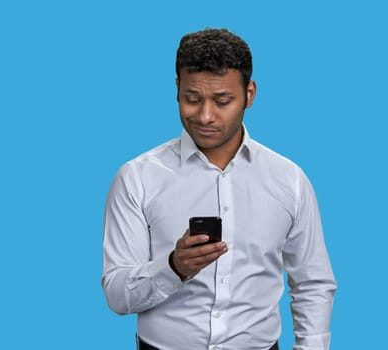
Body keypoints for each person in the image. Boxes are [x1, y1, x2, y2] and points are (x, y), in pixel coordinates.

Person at [102, 28, 337, 350]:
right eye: (192, 99)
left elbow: (312, 283)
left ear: (249, 94)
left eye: (222, 100)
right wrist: (173, 267)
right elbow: (117, 295)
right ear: (177, 89)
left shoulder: (289, 180)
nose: (205, 116)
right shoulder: (137, 177)